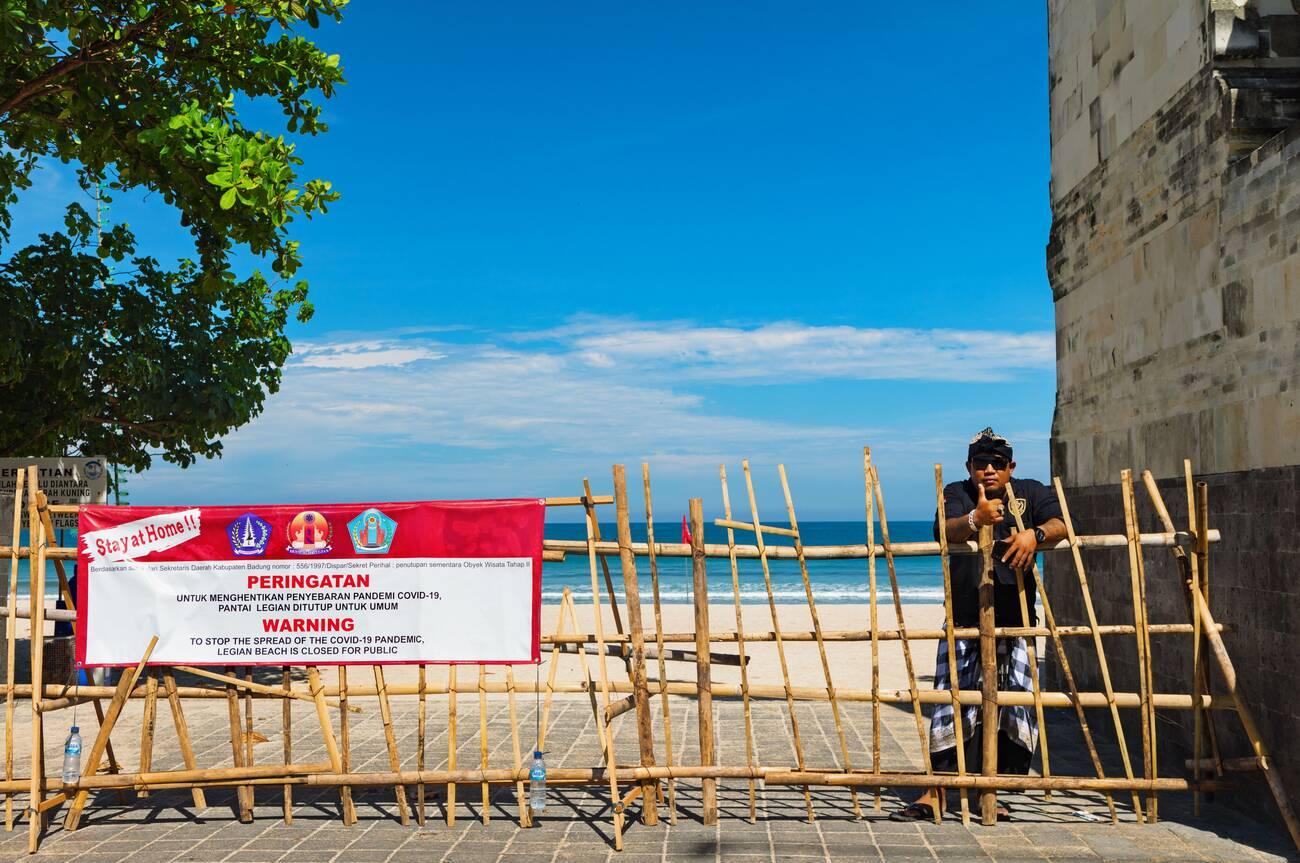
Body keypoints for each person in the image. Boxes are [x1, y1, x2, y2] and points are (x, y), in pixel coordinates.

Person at [890, 428, 1067, 821]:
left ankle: (994, 791)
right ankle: (937, 790)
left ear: (1010, 467)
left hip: (1016, 618)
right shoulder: (957, 493)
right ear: (969, 466)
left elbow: (1062, 523)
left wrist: (1033, 536)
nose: (988, 470)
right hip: (966, 616)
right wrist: (975, 518)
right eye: (980, 464)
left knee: (1009, 708)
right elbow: (944, 530)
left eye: (997, 464)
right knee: (951, 702)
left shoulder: (1032, 492)